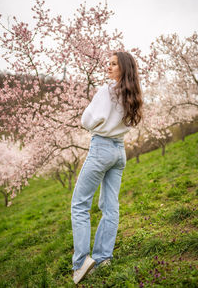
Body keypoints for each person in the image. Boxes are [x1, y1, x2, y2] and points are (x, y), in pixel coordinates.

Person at [71, 51, 143, 284]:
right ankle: (103, 258)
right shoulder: (132, 94)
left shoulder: (106, 91)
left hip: (101, 148)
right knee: (110, 206)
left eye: (114, 64)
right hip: (119, 152)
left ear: (124, 68)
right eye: (108, 64)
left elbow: (87, 120)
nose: (109, 67)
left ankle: (81, 263)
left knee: (80, 204)